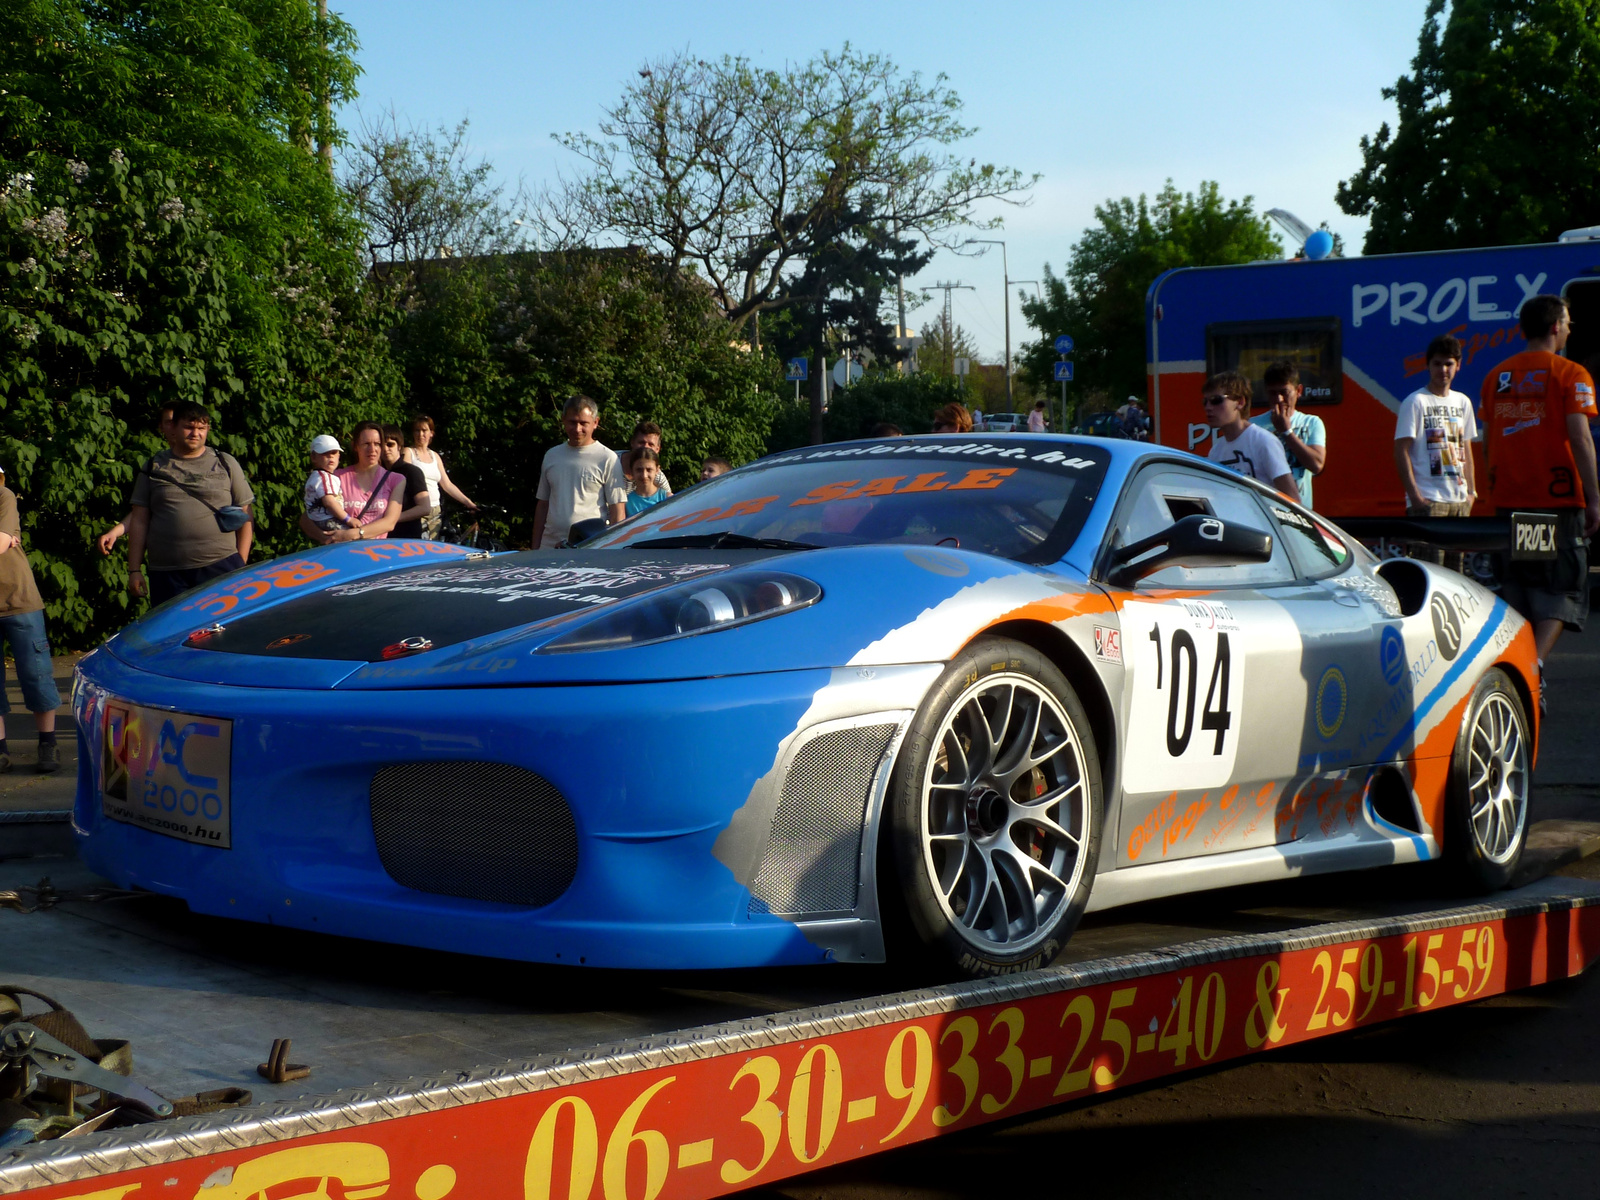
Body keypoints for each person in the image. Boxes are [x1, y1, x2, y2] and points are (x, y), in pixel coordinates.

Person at [1480, 294, 1600, 662]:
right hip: (1557, 504)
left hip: (1512, 501)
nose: (1568, 329)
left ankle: (1523, 665)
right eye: (1567, 323)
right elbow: (1579, 437)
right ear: (1554, 327)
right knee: (1561, 592)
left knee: (1520, 587)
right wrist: (1594, 497)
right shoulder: (1571, 374)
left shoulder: (1497, 376)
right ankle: (1535, 666)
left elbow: (1488, 441)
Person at [126, 402, 254, 605]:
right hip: (167, 574)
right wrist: (134, 570)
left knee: (226, 628)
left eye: (201, 428)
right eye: (189, 427)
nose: (196, 433)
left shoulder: (225, 462)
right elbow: (139, 521)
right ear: (173, 428)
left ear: (208, 430)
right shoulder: (153, 467)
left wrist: (241, 562)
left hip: (221, 566)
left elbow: (246, 514)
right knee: (175, 633)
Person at [1393, 334, 1477, 570]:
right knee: (1430, 573)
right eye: (1437, 364)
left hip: (1459, 501)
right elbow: (1401, 451)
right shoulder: (1416, 401)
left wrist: (1471, 493)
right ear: (1427, 365)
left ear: (1458, 365)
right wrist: (1416, 498)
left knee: (1457, 574)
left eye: (1449, 364)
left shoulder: (1463, 402)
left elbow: (1466, 448)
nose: (1443, 370)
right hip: (1429, 502)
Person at [0, 466, 61, 774]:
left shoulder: (3, 496)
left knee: (36, 674)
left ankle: (48, 742)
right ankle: (1, 749)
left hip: (18, 600)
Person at [532, 396, 627, 549]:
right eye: (572, 422)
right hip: (549, 546)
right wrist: (535, 548)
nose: (577, 429)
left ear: (595, 423)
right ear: (563, 420)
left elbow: (617, 510)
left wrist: (615, 550)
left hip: (590, 546)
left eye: (583, 423)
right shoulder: (552, 455)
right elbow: (543, 504)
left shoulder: (607, 458)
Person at [298, 422, 404, 545]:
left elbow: (389, 523)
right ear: (355, 446)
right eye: (366, 444)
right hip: (343, 553)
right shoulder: (336, 477)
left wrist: (352, 534)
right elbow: (306, 518)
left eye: (377, 444)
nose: (372, 449)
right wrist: (326, 538)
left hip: (377, 554)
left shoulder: (396, 479)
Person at [1203, 370, 1301, 501]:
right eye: (1205, 402)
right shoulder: (1216, 451)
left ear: (1240, 402)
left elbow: (1292, 499)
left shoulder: (1264, 441)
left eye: (1216, 400)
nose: (1208, 407)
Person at [98, 404, 175, 555]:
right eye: (169, 422)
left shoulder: (216, 463)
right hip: (169, 563)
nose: (174, 426)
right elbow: (141, 514)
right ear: (161, 428)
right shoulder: (154, 467)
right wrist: (115, 532)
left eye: (178, 421)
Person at [1251, 363, 1327, 507]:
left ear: (1298, 391)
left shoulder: (1311, 422)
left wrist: (1286, 432)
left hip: (1299, 512)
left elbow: (1316, 465)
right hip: (1265, 510)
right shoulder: (1253, 426)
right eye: (1273, 393)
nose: (1279, 399)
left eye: (1284, 392)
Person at [403, 414, 475, 539]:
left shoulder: (435, 456)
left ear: (431, 433)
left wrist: (468, 503)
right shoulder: (408, 452)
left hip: (436, 510)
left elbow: (447, 484)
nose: (421, 434)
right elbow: (404, 481)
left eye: (424, 430)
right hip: (417, 509)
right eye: (417, 430)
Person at [381, 426, 433, 539]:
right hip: (382, 538)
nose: (385, 449)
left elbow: (424, 507)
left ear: (399, 446)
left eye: (390, 444)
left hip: (407, 539)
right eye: (381, 445)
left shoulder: (412, 472)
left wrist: (391, 519)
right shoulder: (378, 473)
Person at [303, 434, 359, 533]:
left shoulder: (317, 476)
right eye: (325, 453)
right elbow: (329, 502)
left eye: (334, 452)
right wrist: (348, 519)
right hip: (326, 519)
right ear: (313, 457)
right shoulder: (323, 477)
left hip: (319, 519)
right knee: (352, 535)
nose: (330, 456)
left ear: (339, 456)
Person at [617, 421, 673, 497]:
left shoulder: (657, 476)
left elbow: (671, 501)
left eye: (651, 444)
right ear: (632, 443)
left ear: (657, 449)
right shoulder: (610, 461)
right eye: (641, 442)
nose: (645, 447)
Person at [625, 448, 668, 517]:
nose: (644, 475)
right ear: (632, 471)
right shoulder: (627, 502)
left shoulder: (668, 498)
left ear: (657, 470)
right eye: (639, 470)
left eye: (649, 470)